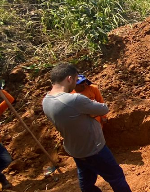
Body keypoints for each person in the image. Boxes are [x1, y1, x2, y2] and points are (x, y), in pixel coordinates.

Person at [42, 63, 131, 192]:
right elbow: (103, 109)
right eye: (76, 79)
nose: (76, 83)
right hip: (94, 149)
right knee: (116, 177)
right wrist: (89, 111)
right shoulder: (74, 100)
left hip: (76, 150)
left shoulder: (46, 100)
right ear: (69, 79)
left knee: (86, 181)